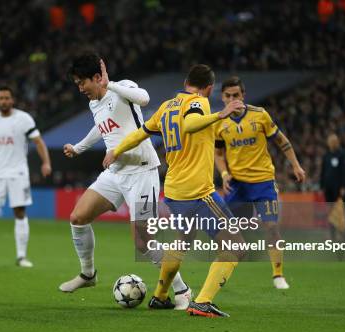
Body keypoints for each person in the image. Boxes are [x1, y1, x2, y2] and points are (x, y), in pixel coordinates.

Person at [104, 64, 246, 317]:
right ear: (209, 88)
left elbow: (141, 134)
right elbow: (191, 124)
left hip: (174, 190)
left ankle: (160, 296)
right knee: (235, 245)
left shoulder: (166, 106)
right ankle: (202, 302)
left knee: (182, 242)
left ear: (185, 83)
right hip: (198, 191)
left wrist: (116, 150)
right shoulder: (199, 103)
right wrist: (220, 114)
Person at [60, 52, 191, 310]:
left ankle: (182, 290)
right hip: (115, 173)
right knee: (78, 217)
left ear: (97, 77)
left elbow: (145, 98)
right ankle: (88, 275)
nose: (80, 88)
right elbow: (101, 127)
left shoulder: (123, 88)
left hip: (142, 172)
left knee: (143, 242)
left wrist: (111, 84)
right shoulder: (94, 104)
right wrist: (78, 148)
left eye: (82, 82)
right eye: (76, 84)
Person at [214, 76, 306, 290]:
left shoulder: (260, 114)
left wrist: (296, 165)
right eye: (228, 96)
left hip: (263, 181)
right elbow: (218, 153)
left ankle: (278, 275)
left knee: (272, 227)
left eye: (236, 95)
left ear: (243, 96)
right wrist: (225, 174)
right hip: (237, 184)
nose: (232, 99)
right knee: (226, 230)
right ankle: (220, 273)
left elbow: (282, 141)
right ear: (222, 97)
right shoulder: (219, 121)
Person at [0, 87, 51, 268]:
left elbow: (38, 141)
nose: (3, 101)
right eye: (1, 98)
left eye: (7, 98)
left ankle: (21, 257)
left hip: (18, 172)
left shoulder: (24, 119)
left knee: (19, 212)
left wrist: (46, 163)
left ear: (12, 100)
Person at [320, 133, 345, 239]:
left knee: (339, 211)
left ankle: (342, 233)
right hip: (328, 188)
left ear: (337, 143)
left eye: (333, 141)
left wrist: (344, 186)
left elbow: (344, 172)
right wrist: (322, 185)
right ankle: (332, 234)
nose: (331, 143)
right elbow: (323, 172)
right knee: (330, 211)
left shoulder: (342, 155)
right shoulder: (326, 156)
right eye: (330, 141)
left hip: (338, 188)